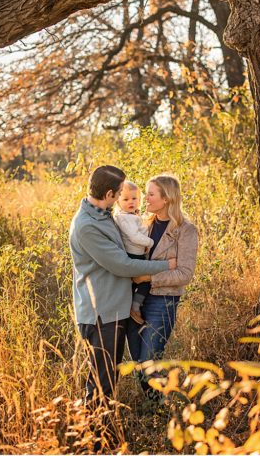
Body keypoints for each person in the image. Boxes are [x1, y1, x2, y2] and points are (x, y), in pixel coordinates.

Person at [69, 165, 173, 406]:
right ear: (108, 195)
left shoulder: (104, 215)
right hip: (101, 314)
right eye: (118, 193)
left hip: (115, 310)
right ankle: (96, 442)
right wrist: (165, 265)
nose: (120, 198)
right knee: (101, 385)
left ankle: (104, 439)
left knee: (109, 378)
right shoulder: (87, 226)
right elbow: (123, 265)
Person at [126, 174, 199, 398]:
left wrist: (148, 278)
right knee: (139, 361)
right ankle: (154, 406)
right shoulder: (142, 225)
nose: (144, 198)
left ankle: (160, 410)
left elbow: (184, 274)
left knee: (150, 360)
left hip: (162, 302)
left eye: (150, 193)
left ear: (166, 198)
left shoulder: (185, 230)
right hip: (134, 300)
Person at [112, 181, 154, 324]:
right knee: (146, 280)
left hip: (137, 253)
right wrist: (150, 242)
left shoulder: (131, 215)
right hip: (134, 255)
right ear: (117, 202)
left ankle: (132, 306)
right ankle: (135, 307)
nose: (131, 202)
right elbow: (134, 236)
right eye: (126, 199)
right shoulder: (125, 218)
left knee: (136, 282)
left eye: (134, 198)